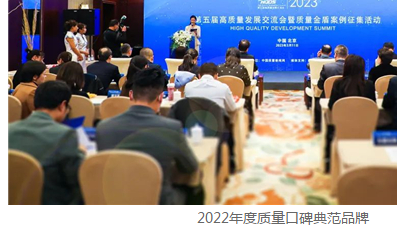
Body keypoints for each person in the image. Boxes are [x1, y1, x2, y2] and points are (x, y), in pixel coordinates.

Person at [96, 68, 199, 205]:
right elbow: (190, 167)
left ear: (130, 95)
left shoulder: (103, 127)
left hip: (113, 200)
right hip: (158, 201)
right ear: (160, 97)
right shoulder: (171, 128)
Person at [9, 81, 84, 204]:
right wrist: (81, 152)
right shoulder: (65, 135)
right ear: (62, 106)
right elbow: (77, 178)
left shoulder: (8, 130)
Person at [218, 47, 253, 129]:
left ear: (226, 57)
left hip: (222, 98)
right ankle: (249, 124)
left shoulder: (218, 68)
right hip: (238, 98)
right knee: (250, 94)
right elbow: (247, 84)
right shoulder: (241, 69)